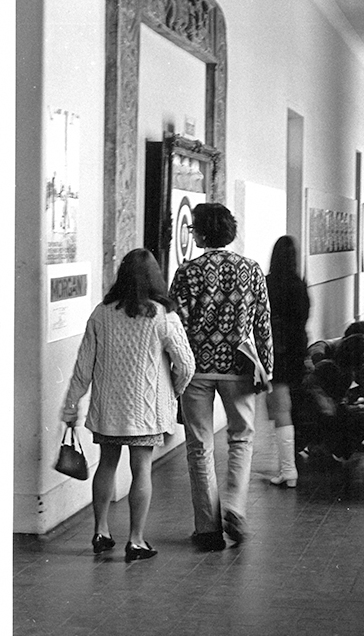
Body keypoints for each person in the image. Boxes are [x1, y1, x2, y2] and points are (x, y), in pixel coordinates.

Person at [61, 248, 195, 562]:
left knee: (106, 465)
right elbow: (186, 365)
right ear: (155, 278)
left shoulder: (101, 312)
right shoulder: (163, 315)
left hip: (108, 410)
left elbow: (83, 366)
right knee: (141, 470)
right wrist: (172, 393)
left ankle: (101, 531)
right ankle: (135, 540)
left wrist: (71, 403)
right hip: (146, 412)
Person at [170, 203, 273, 551]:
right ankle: (235, 505)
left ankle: (208, 528)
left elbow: (177, 326)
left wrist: (174, 371)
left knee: (199, 446)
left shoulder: (188, 272)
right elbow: (262, 323)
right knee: (242, 437)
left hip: (196, 368)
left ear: (199, 232)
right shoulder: (251, 269)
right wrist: (267, 368)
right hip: (239, 367)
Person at [265, 235, 311, 488]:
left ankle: (287, 469)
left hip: (275, 354)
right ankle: (289, 465)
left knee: (280, 411)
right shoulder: (299, 285)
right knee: (290, 407)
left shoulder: (268, 283)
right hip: (296, 352)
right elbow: (303, 320)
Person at [298, 333, 364, 460]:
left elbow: (337, 399)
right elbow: (325, 407)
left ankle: (333, 444)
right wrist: (349, 409)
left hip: (324, 411)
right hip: (316, 418)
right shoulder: (332, 369)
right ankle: (329, 446)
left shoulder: (341, 368)